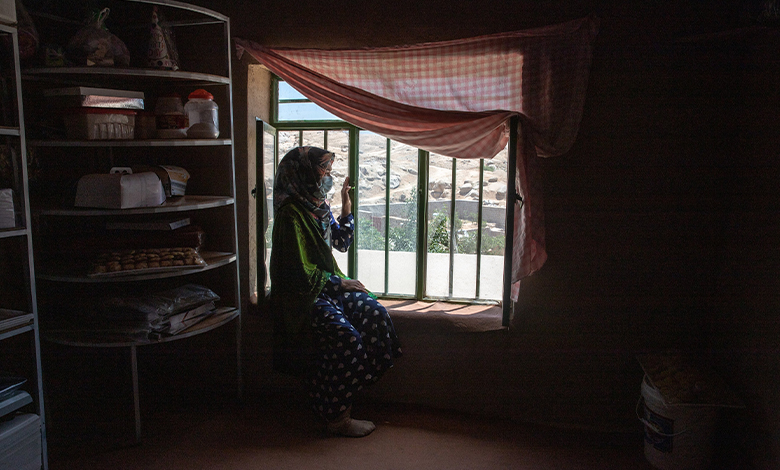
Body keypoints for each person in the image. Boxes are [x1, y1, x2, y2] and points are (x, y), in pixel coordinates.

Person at [269, 146, 402, 437]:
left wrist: (345, 205)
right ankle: (336, 416)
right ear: (304, 174)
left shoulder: (318, 206)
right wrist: (340, 283)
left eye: (329, 171)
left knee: (375, 315)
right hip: (302, 295)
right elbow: (296, 273)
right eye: (323, 171)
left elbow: (341, 242)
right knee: (347, 339)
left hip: (325, 285)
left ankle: (338, 391)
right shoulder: (291, 215)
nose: (328, 177)